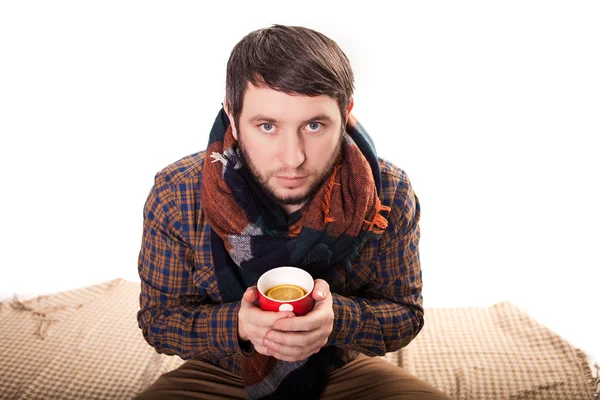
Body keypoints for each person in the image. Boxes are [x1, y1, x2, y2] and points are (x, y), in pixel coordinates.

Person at [134, 24, 449, 400]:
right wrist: (238, 324)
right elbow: (158, 321)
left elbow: (406, 315)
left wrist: (337, 321)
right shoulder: (178, 193)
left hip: (338, 367)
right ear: (232, 117)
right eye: (267, 126)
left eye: (314, 126)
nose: (293, 158)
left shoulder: (389, 192)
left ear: (346, 114)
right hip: (224, 367)